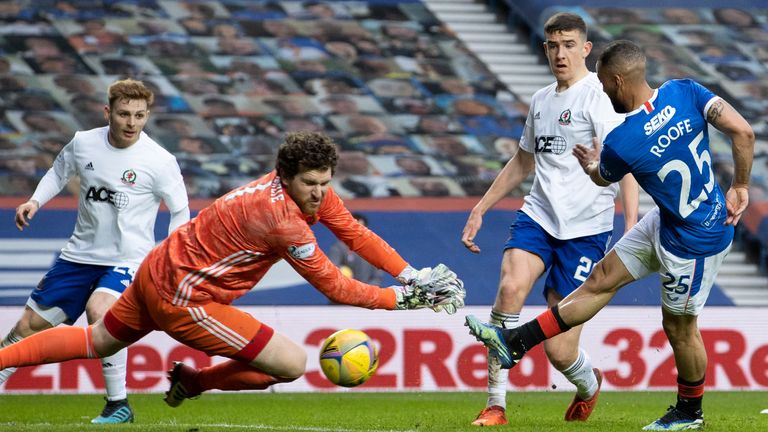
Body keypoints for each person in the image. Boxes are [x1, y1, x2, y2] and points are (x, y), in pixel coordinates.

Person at [0, 132, 465, 414]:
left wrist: (410, 274)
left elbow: (355, 234)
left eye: (326, 183)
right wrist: (403, 301)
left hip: (157, 268)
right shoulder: (281, 221)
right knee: (289, 365)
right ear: (286, 176)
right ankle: (195, 382)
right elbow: (334, 285)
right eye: (311, 184)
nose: (321, 194)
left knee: (96, 341)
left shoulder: (301, 190)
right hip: (183, 297)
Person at [466, 39, 754, 431]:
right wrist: (740, 185)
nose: (601, 89)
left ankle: (690, 412)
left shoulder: (623, 141)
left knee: (680, 328)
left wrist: (590, 164)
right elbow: (742, 131)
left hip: (696, 241)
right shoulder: (685, 90)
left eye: (604, 83)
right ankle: (515, 341)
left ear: (619, 81)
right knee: (600, 278)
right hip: (672, 218)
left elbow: (602, 176)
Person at [459, 13, 638, 427]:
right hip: (538, 217)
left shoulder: (599, 97)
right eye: (554, 46)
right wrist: (481, 207)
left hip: (587, 230)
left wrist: (629, 225)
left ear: (586, 49)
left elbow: (624, 163)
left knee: (559, 352)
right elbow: (523, 160)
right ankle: (495, 405)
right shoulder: (541, 100)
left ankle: (589, 384)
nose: (561, 54)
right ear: (545, 48)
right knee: (509, 290)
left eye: (570, 45)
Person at [4, 79, 190, 424]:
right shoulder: (83, 143)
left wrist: (170, 253)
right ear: (108, 112)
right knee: (27, 328)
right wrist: (34, 201)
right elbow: (58, 173)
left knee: (101, 309)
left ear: (147, 115)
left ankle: (117, 403)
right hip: (78, 257)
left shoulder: (160, 160)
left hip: (128, 260)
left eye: (139, 115)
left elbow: (180, 210)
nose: (131, 122)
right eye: (123, 114)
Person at [328, 213, 384, 285]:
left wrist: (365, 291)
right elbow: (333, 270)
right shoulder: (338, 248)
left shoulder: (373, 250)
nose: (358, 231)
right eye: (355, 227)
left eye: (362, 228)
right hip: (344, 291)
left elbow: (377, 277)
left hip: (367, 292)